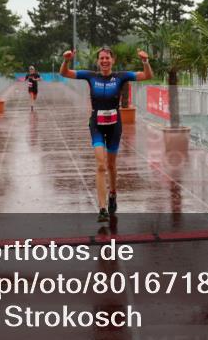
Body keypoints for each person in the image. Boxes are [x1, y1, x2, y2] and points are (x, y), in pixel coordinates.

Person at [60, 47, 152, 222]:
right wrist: (66, 60)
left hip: (114, 125)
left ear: (113, 60)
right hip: (97, 124)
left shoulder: (121, 77)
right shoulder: (90, 76)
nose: (104, 61)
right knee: (101, 165)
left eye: (107, 58)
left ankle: (113, 193)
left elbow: (147, 76)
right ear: (98, 61)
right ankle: (102, 208)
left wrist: (145, 62)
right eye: (101, 58)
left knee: (111, 165)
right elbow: (64, 73)